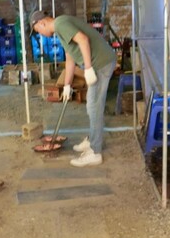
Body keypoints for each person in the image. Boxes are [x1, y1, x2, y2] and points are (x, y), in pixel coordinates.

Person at [30, 10, 115, 167]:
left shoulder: (61, 23)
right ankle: (92, 140)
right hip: (97, 64)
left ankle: (95, 152)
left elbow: (83, 40)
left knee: (94, 106)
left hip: (101, 64)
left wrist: (88, 68)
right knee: (92, 106)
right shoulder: (60, 29)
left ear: (41, 23)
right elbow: (70, 58)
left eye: (38, 31)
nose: (40, 35)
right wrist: (67, 85)